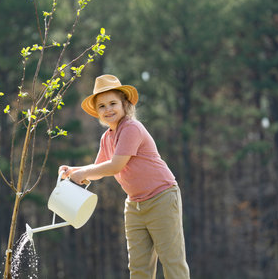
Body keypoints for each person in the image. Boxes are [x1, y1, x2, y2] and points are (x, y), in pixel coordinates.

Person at [59, 74, 190, 279]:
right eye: (101, 106)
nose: (108, 109)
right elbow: (98, 168)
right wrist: (73, 171)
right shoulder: (107, 137)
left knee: (172, 261)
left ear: (125, 105)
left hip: (162, 197)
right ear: (97, 112)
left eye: (113, 103)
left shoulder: (131, 128)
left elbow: (114, 166)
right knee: (138, 268)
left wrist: (84, 173)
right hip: (135, 205)